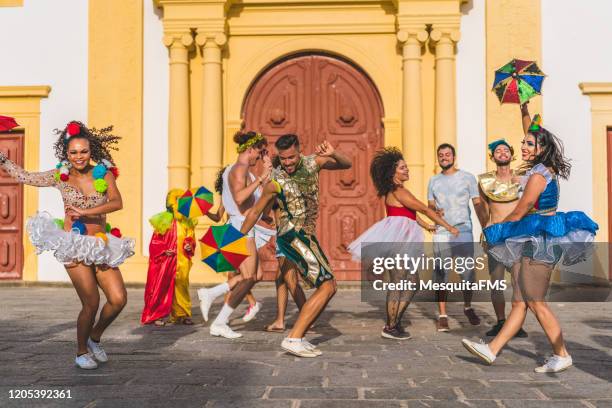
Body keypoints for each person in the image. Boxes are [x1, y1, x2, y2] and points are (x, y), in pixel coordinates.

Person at [462, 104, 598, 373]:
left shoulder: (538, 175)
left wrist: (497, 232)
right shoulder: (540, 168)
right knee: (520, 301)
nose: (522, 146)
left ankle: (562, 354)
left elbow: (521, 209)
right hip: (534, 236)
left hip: (539, 238)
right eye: (522, 142)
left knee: (535, 301)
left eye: (528, 144)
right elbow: (533, 130)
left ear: (540, 149)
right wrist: (524, 108)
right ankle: (491, 350)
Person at [0, 121, 134, 369]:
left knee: (118, 299)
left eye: (83, 151)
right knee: (91, 302)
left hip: (101, 243)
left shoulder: (103, 173)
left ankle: (95, 338)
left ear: (90, 150)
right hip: (73, 243)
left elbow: (117, 202)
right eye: (73, 152)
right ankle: (81, 351)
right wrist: (2, 159)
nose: (79, 157)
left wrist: (87, 210)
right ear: (66, 153)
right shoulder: (59, 176)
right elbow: (26, 177)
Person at [240, 134, 352, 357]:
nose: (288, 163)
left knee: (328, 286)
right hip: (292, 236)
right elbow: (254, 212)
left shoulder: (314, 163)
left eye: (291, 157)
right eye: (284, 159)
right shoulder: (275, 181)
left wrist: (333, 153)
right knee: (327, 285)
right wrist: (234, 239)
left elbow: (346, 163)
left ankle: (297, 335)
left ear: (299, 151)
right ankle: (294, 337)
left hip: (306, 235)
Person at [348, 147, 459, 340]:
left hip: (403, 235)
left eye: (406, 167)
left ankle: (394, 322)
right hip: (399, 239)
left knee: (412, 282)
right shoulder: (398, 190)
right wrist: (449, 227)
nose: (407, 170)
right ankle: (391, 326)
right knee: (399, 281)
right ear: (393, 172)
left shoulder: (397, 191)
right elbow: (424, 209)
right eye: (402, 168)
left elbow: (408, 214)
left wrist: (427, 226)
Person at [197, 131, 275, 339]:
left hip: (245, 226)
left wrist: (267, 170)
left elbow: (256, 201)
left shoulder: (243, 171)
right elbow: (240, 198)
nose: (258, 157)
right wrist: (260, 179)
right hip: (241, 227)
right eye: (258, 152)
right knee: (248, 277)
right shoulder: (239, 169)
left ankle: (211, 293)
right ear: (249, 149)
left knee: (256, 276)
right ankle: (220, 322)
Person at [428, 143, 484, 332]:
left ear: (454, 157)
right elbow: (430, 206)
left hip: (463, 231)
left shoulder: (468, 178)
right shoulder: (433, 180)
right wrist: (435, 211)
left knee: (467, 273)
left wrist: (486, 225)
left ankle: (467, 307)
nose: (444, 157)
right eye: (441, 155)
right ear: (438, 158)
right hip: (442, 232)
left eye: (447, 154)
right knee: (441, 273)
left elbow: (477, 204)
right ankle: (442, 315)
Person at [477, 139, 528, 338]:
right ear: (493, 157)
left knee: (517, 281)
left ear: (511, 154)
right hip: (496, 236)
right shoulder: (485, 181)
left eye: (505, 150)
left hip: (517, 235)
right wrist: (485, 228)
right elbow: (483, 209)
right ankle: (500, 321)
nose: (502, 152)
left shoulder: (521, 178)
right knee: (496, 280)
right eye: (498, 150)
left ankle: (517, 322)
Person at [141, 189, 198, 327]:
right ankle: (156, 315)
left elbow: (190, 238)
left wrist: (189, 245)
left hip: (182, 259)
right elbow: (155, 241)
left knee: (182, 286)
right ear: (171, 204)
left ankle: (182, 314)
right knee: (161, 287)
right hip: (166, 260)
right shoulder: (164, 220)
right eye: (177, 202)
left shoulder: (187, 222)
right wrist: (163, 251)